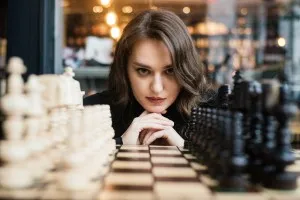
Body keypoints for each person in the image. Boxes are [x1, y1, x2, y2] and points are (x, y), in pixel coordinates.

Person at [84, 9, 215, 146]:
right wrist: (120, 144)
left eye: (170, 71)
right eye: (143, 71)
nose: (157, 88)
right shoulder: (90, 113)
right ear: (124, 69)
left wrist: (184, 147)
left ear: (185, 68)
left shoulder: (213, 112)